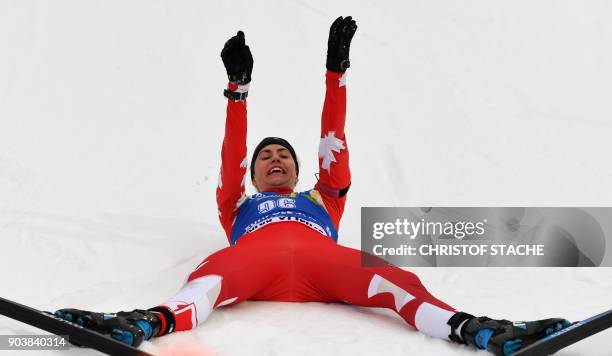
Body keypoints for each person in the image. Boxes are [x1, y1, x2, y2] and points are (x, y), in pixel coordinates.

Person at [54, 16, 571, 356]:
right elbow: (232, 152)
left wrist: (336, 73)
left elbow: (333, 137)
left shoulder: (324, 196)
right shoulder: (237, 203)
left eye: (283, 155)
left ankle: (477, 330)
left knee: (395, 281)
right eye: (265, 156)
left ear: (299, 172)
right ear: (254, 176)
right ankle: (145, 324)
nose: (273, 158)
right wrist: (238, 92)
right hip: (254, 264)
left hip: (326, 265)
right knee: (205, 282)